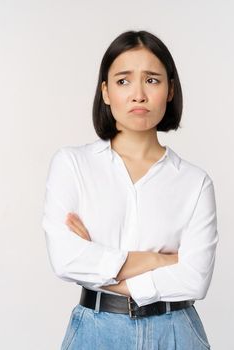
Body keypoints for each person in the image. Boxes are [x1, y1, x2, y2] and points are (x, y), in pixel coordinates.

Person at [42, 30, 218, 349]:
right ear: (106, 92)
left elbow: (195, 279)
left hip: (176, 333)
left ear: (170, 90)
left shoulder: (194, 182)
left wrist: (99, 264)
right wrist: (160, 260)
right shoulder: (72, 165)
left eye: (151, 80)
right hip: (96, 332)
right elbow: (66, 259)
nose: (138, 94)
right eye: (124, 81)